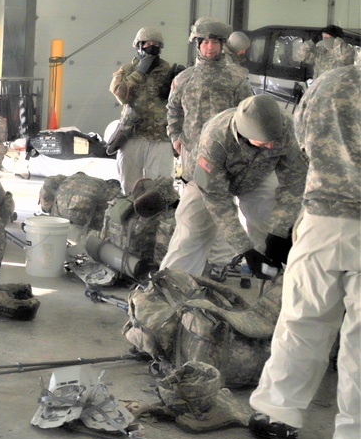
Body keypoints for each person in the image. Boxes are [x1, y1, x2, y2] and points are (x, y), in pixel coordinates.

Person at [248, 65, 359, 439]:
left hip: (323, 218)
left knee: (303, 319)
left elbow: (302, 141)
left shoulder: (329, 83)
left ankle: (277, 415)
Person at [160, 94, 307, 280]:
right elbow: (218, 201)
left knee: (269, 228)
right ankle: (170, 288)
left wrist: (279, 230)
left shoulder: (288, 128)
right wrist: (244, 248)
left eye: (274, 141)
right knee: (191, 229)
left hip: (259, 176)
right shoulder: (215, 140)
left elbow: (294, 183)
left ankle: (274, 295)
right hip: (209, 181)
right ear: (245, 134)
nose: (271, 146)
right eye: (264, 143)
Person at [167, 17, 254, 280]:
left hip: (225, 156)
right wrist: (175, 136)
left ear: (222, 44)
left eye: (214, 41)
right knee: (193, 212)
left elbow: (248, 114)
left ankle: (219, 260)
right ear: (197, 44)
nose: (209, 47)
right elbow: (173, 109)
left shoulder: (236, 78)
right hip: (193, 154)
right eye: (203, 41)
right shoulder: (184, 78)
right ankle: (193, 268)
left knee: (221, 206)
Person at [109, 27, 179, 193]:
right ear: (138, 46)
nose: (151, 47)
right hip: (132, 135)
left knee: (159, 187)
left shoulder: (169, 72)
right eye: (147, 43)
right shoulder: (127, 70)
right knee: (129, 185)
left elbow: (180, 103)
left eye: (155, 44)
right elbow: (121, 94)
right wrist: (139, 72)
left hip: (160, 137)